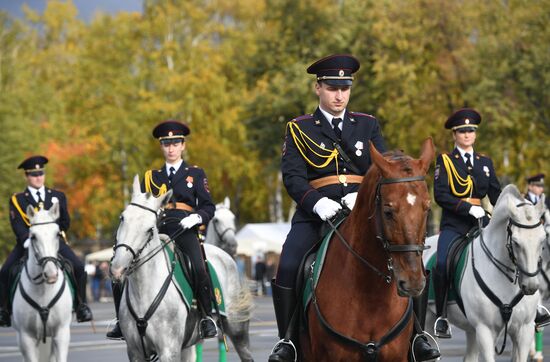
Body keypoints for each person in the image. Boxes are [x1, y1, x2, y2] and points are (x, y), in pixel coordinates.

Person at [269, 54, 439, 362]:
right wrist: (317, 202)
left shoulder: (367, 124)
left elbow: (382, 168)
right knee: (290, 263)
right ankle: (289, 341)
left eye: (344, 88)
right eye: (332, 88)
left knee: (411, 259)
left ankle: (417, 336)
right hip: (316, 213)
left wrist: (361, 193)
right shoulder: (300, 128)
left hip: (364, 210)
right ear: (317, 88)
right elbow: (293, 178)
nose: (339, 95)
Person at [107, 120, 218, 340]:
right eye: (166, 143)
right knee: (121, 264)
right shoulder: (152, 176)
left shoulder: (195, 173)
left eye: (175, 143)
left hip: (184, 227)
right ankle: (121, 320)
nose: (171, 148)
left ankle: (206, 317)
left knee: (198, 266)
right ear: (162, 146)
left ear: (183, 145)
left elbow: (208, 206)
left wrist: (197, 217)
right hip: (155, 229)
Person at [0, 155, 93, 326]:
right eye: (34, 174)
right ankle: (4, 311)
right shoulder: (18, 199)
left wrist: (54, 234)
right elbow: (17, 224)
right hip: (27, 243)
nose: (38, 177)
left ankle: (81, 306)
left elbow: (65, 221)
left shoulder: (58, 196)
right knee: (6, 271)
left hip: (54, 242)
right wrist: (26, 239)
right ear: (27, 177)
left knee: (79, 267)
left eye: (41, 173)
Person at [433, 109, 501, 338]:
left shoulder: (485, 162)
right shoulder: (445, 161)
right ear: (454, 134)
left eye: (471, 130)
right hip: (455, 224)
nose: (467, 134)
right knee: (441, 263)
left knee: (512, 249)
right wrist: (468, 207)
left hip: (482, 222)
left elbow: (495, 194)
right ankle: (441, 316)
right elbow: (441, 195)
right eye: (462, 131)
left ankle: (528, 304)